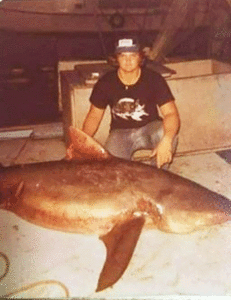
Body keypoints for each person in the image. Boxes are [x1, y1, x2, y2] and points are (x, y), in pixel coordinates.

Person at [82, 37, 180, 168]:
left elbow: (171, 113)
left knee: (169, 135)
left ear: (140, 57)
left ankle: (157, 175)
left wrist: (167, 140)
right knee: (112, 170)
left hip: (150, 128)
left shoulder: (154, 79)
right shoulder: (105, 82)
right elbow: (94, 116)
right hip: (120, 133)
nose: (128, 60)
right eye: (123, 56)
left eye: (133, 55)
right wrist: (81, 143)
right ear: (116, 58)